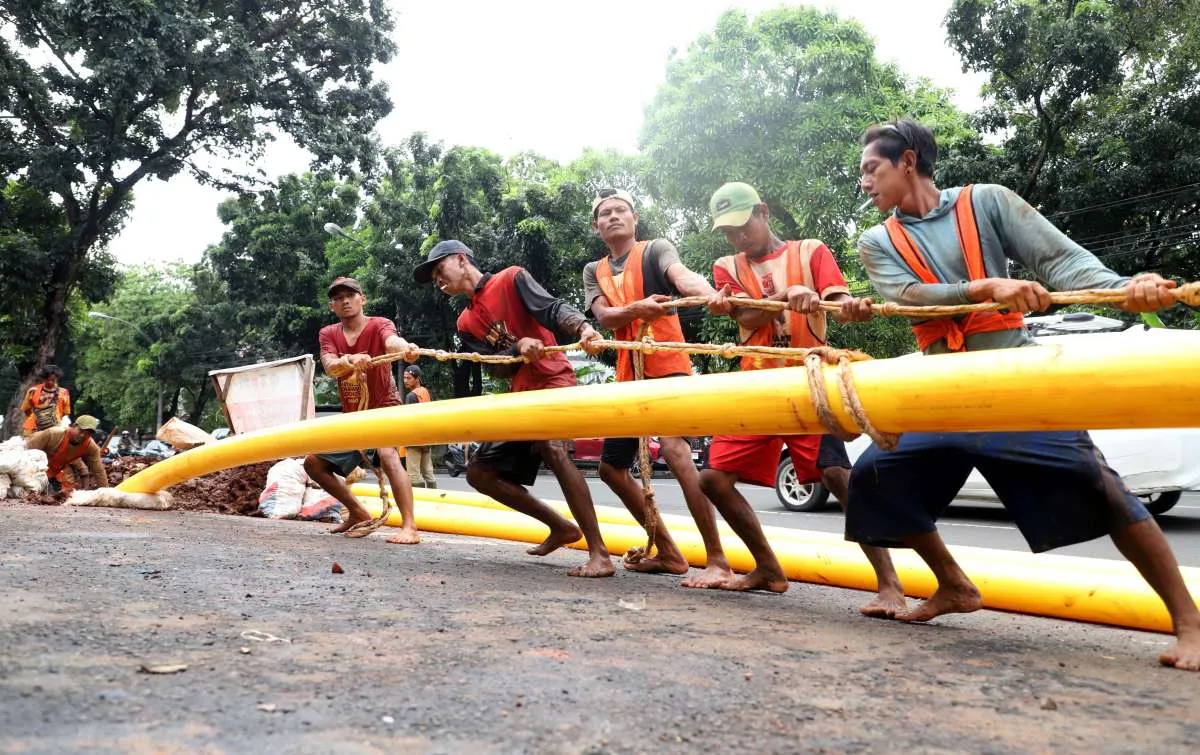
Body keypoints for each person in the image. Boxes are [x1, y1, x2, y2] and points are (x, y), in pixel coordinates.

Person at [848, 118, 1199, 671]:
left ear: (908, 161)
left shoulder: (988, 201)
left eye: (872, 169)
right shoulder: (876, 242)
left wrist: (1126, 291)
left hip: (1012, 377)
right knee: (872, 477)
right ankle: (955, 586)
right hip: (939, 387)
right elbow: (911, 297)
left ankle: (1190, 624)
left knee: (1103, 489)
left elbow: (1064, 263)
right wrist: (989, 287)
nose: (863, 182)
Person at [696, 181, 906, 613]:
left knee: (836, 476)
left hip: (812, 380)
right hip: (756, 383)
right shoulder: (726, 266)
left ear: (763, 211)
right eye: (729, 231)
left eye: (742, 226)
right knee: (712, 479)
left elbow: (837, 298)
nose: (738, 237)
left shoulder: (811, 251)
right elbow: (749, 316)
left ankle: (891, 586)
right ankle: (769, 569)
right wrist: (785, 296)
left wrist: (849, 305)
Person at [415, 239, 615, 577]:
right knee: (480, 473)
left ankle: (600, 554)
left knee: (553, 449)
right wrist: (517, 349)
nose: (438, 279)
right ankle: (561, 527)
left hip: (553, 380)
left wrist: (583, 327)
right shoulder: (465, 322)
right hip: (520, 396)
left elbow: (552, 309)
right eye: (433, 276)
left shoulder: (511, 278)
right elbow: (494, 367)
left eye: (439, 269)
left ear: (462, 260)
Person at [582, 188, 732, 586]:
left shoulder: (655, 250)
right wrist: (635, 309)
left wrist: (711, 296)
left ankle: (717, 560)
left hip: (667, 366)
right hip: (628, 376)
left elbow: (683, 277)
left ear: (634, 219)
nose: (613, 217)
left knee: (675, 449)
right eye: (605, 213)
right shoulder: (592, 271)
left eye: (620, 211)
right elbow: (605, 318)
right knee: (611, 470)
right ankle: (668, 550)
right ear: (598, 227)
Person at [302, 276, 421, 544]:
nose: (344, 300)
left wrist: (406, 349)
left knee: (387, 453)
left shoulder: (379, 324)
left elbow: (392, 342)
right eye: (337, 297)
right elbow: (331, 366)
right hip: (354, 417)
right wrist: (350, 360)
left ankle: (410, 527)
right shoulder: (328, 334)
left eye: (350, 295)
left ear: (362, 298)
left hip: (385, 409)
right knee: (313, 463)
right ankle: (358, 512)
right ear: (332, 306)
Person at [25, 415, 108, 493]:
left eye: (88, 433)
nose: (83, 435)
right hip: (30, 471)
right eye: (81, 431)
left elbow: (99, 471)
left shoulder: (91, 446)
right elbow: (25, 453)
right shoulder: (53, 434)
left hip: (50, 476)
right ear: (73, 426)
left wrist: (106, 493)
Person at [402, 365, 437, 489]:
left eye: (409, 378)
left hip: (414, 440)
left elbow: (409, 419)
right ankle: (434, 497)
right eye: (404, 378)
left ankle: (419, 501)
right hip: (426, 438)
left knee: (413, 475)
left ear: (417, 379)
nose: (405, 380)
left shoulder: (411, 396)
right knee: (428, 472)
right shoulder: (425, 392)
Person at [20, 365, 71, 438]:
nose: (50, 382)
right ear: (43, 378)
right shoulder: (33, 391)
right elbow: (26, 409)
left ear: (57, 378)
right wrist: (38, 418)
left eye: (53, 380)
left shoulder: (64, 392)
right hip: (33, 429)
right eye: (47, 379)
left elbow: (65, 412)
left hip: (55, 430)